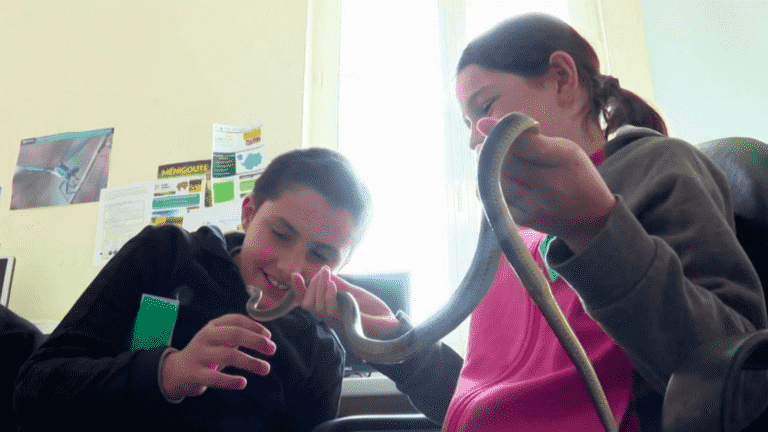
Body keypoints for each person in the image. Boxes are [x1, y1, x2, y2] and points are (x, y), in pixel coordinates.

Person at [298, 12, 768, 431]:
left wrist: (596, 230)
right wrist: (398, 345)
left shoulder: (658, 167)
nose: (473, 139)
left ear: (562, 78)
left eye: (485, 106)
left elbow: (736, 375)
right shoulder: (512, 230)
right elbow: (493, 409)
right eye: (466, 123)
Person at [12, 148, 377, 432]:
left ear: (340, 268)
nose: (290, 267)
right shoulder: (167, 255)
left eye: (320, 255)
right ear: (248, 213)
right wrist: (167, 372)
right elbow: (34, 390)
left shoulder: (321, 353)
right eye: (280, 234)